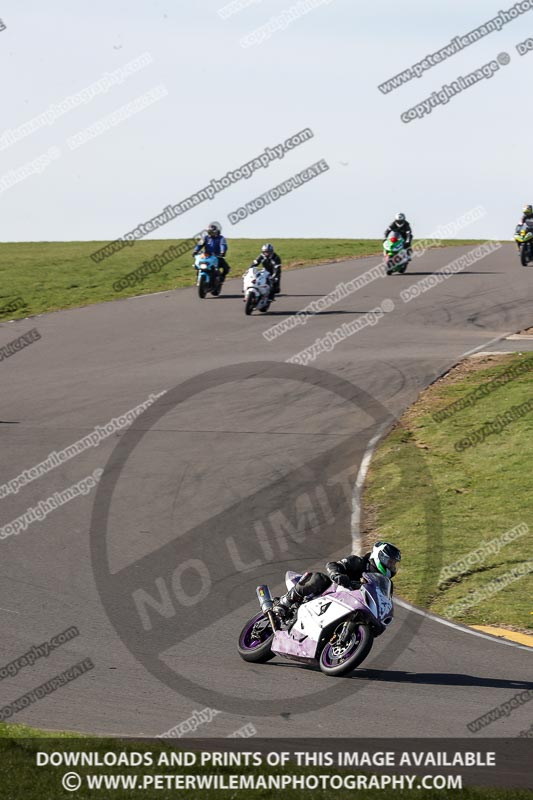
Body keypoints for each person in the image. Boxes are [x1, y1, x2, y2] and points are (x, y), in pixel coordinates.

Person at [272, 541, 401, 623]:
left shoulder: (386, 584)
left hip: (353, 605)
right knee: (319, 578)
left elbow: (384, 601)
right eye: (390, 562)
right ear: (380, 557)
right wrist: (336, 574)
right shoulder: (359, 562)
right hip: (333, 591)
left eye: (394, 564)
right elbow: (333, 565)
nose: (392, 566)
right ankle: (286, 601)